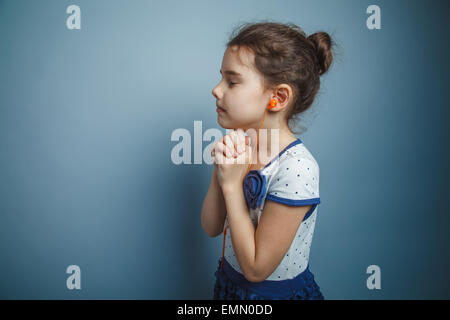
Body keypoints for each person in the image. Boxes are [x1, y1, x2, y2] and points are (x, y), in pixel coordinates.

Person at [201, 21, 334, 300]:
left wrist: (231, 187)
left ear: (278, 97)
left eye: (232, 81)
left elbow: (256, 269)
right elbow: (211, 226)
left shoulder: (297, 169)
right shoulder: (239, 145)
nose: (216, 89)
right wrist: (221, 174)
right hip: (229, 288)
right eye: (220, 78)